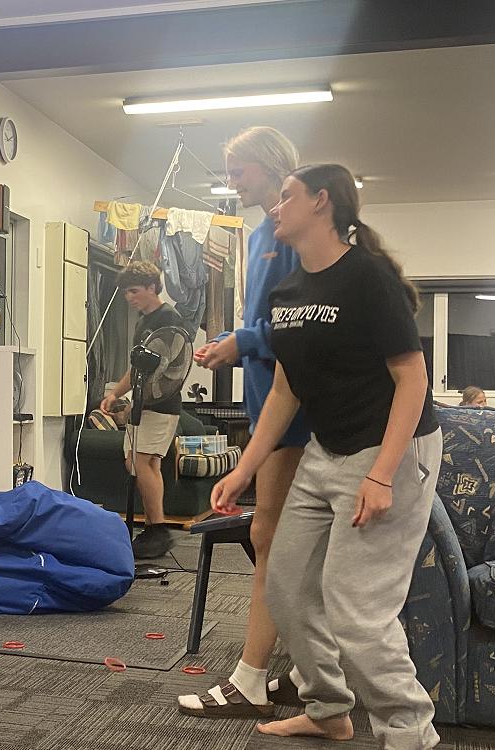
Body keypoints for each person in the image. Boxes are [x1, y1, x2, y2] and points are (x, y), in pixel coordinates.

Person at [212, 164, 442, 748]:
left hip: (389, 446)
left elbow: (413, 379)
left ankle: (410, 734)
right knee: (286, 585)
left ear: (322, 202)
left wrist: (382, 476)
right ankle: (327, 709)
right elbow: (285, 391)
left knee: (355, 608)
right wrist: (245, 467)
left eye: (287, 196)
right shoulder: (288, 293)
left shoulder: (367, 278)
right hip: (326, 449)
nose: (275, 206)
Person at [180, 126, 311, 717]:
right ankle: (308, 675)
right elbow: (267, 322)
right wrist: (234, 342)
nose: (231, 182)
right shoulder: (260, 233)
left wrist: (243, 340)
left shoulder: (293, 232)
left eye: (239, 171)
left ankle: (251, 680)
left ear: (271, 165)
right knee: (281, 543)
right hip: (267, 407)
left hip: (295, 416)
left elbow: (304, 324)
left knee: (269, 540)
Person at [100, 261, 184, 559]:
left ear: (152, 287)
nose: (129, 297)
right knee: (143, 463)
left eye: (134, 291)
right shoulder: (143, 322)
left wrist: (135, 397)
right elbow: (137, 369)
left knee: (139, 461)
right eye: (126, 292)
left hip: (161, 405)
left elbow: (165, 368)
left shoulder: (169, 319)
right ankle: (153, 528)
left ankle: (158, 529)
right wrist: (115, 393)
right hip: (143, 404)